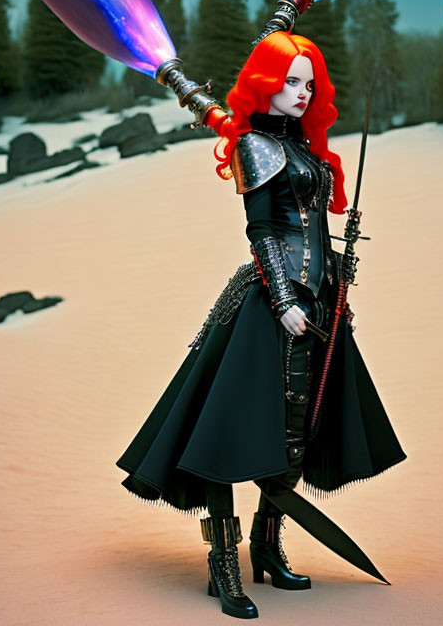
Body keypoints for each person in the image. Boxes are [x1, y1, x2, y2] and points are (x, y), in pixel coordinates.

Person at [116, 31, 406, 619]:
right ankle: (223, 564)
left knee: (297, 433)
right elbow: (265, 233)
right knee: (227, 430)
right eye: (289, 81)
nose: (301, 93)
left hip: (319, 305)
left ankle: (267, 548)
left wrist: (334, 281)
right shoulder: (255, 147)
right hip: (271, 305)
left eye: (308, 82)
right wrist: (283, 301)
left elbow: (313, 230)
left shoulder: (304, 147)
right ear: (264, 84)